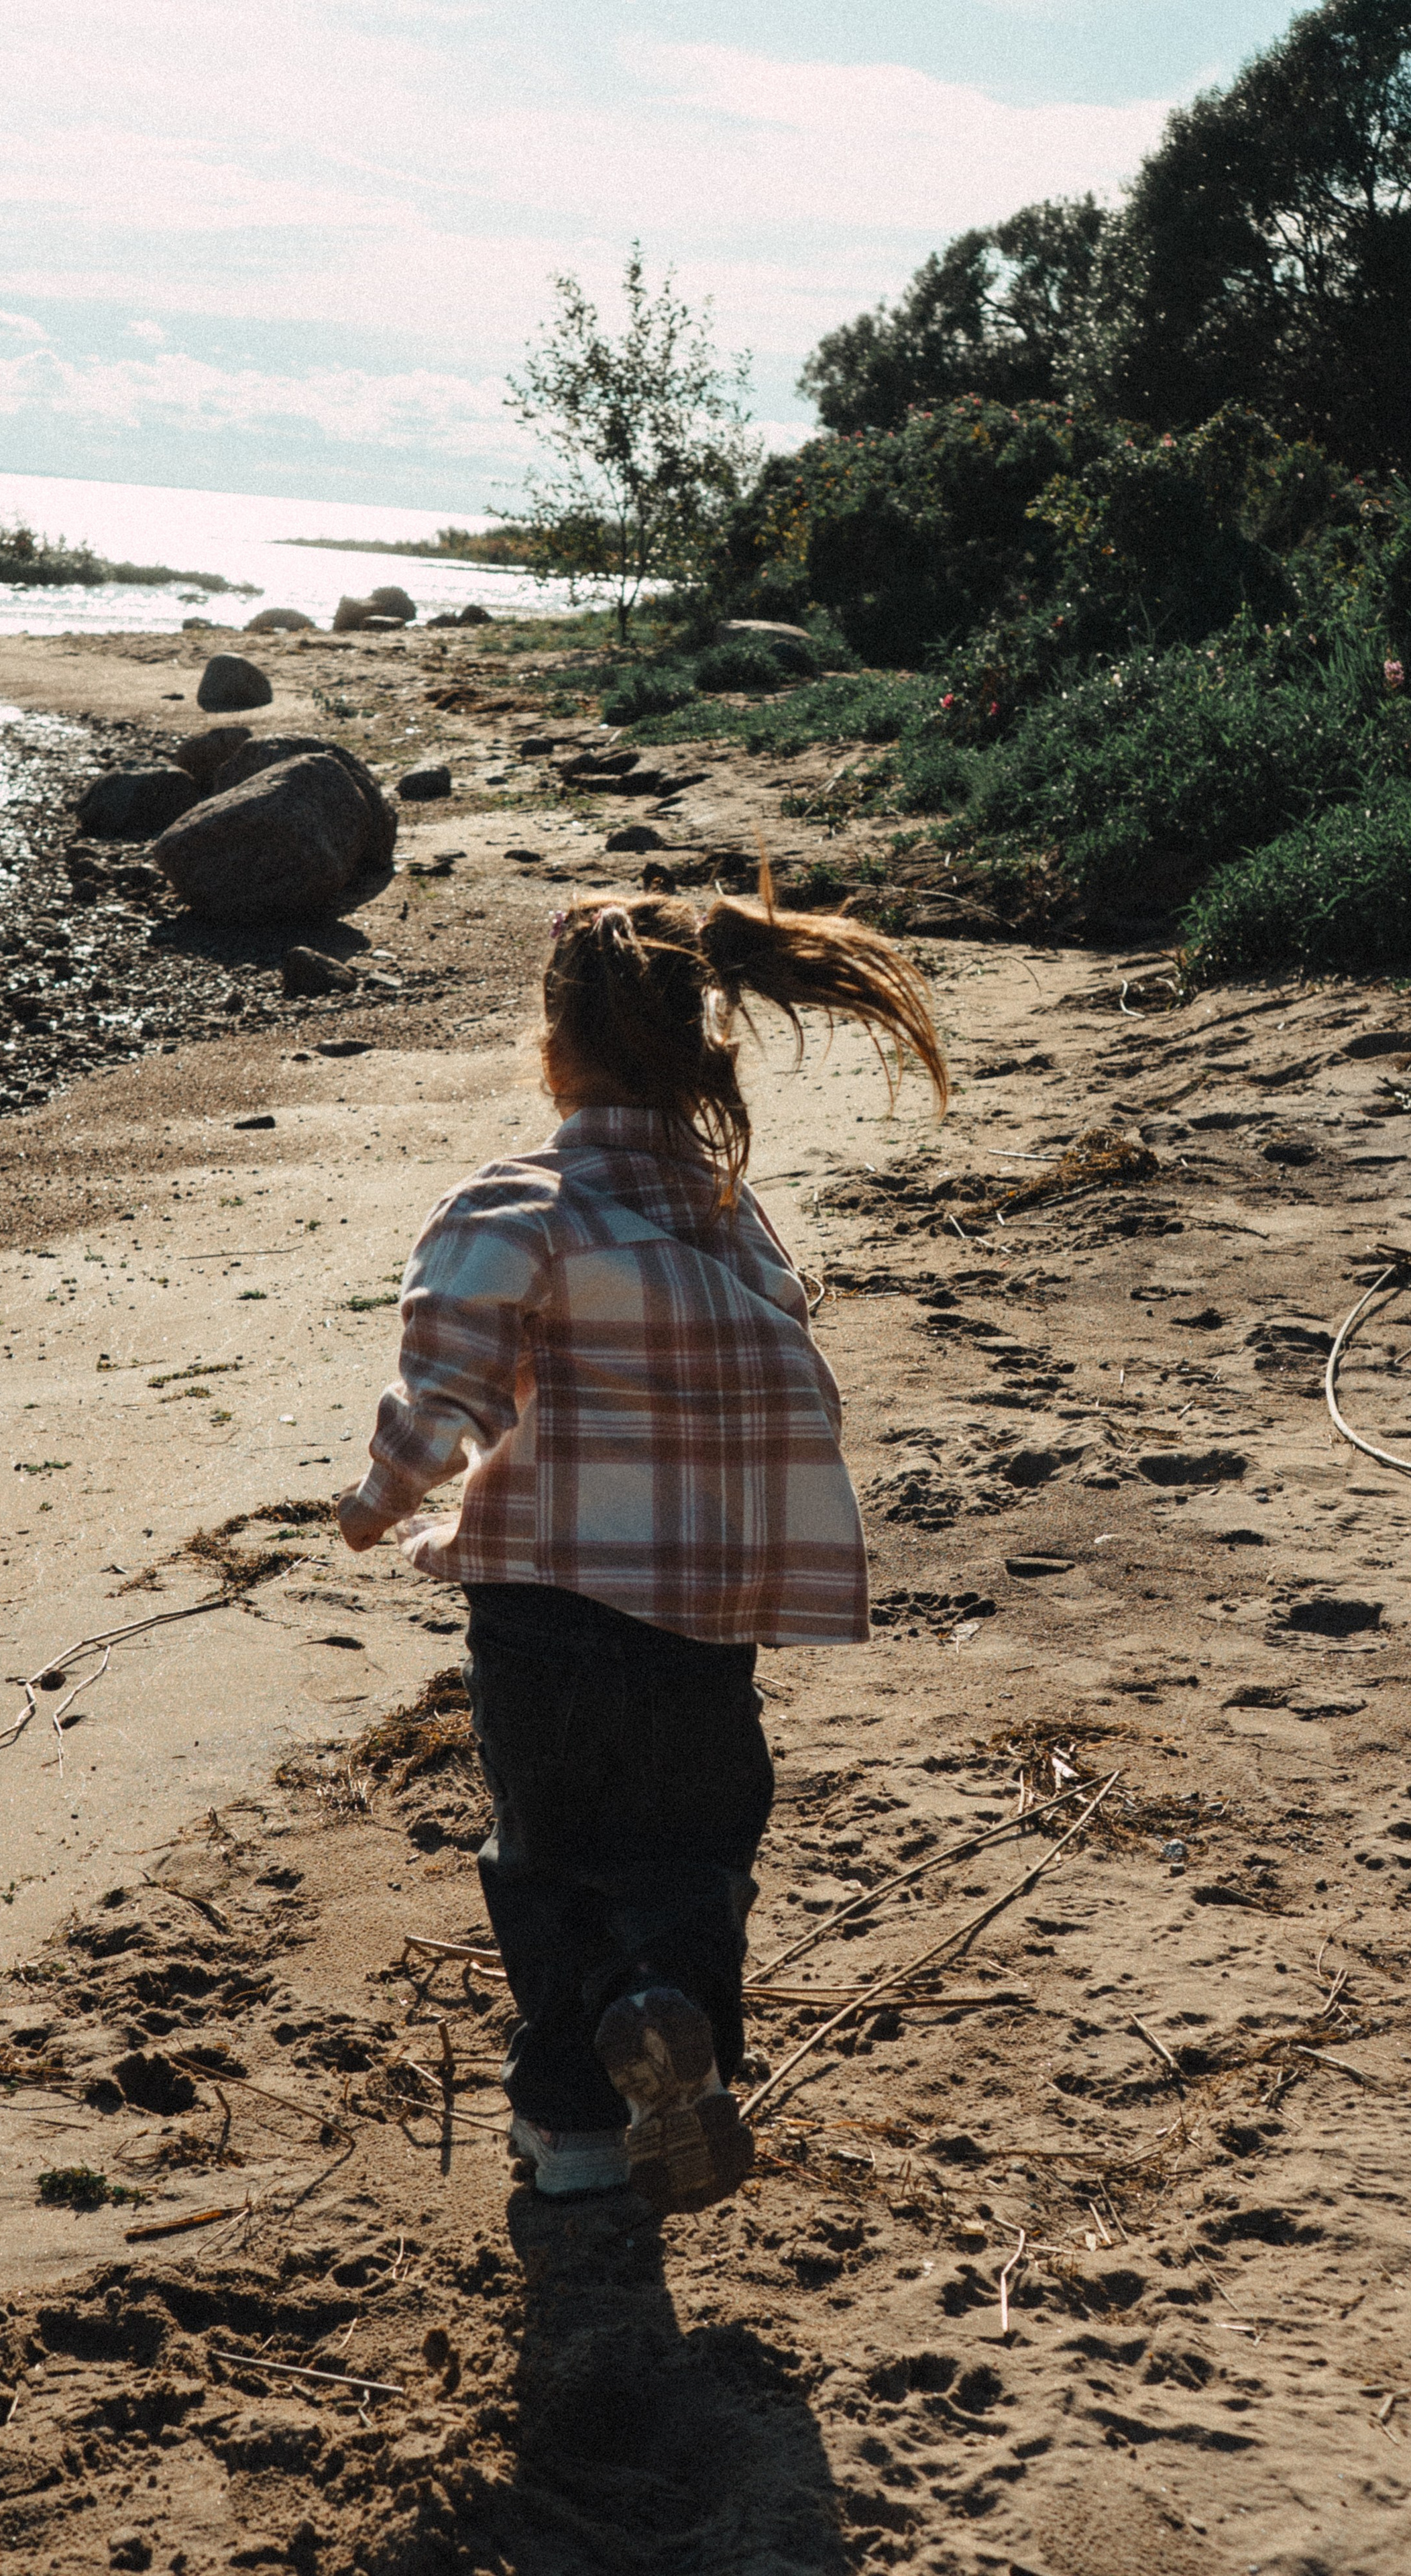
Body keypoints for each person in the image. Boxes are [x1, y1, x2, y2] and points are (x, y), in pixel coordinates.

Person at [338, 879, 946, 2214]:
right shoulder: (734, 1219)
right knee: (689, 1859)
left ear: (550, 1053)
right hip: (705, 1624)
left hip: (545, 1611)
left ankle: (570, 2139)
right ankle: (668, 2009)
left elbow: (445, 1382)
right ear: (694, 1055)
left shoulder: (514, 1203)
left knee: (548, 1860)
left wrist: (379, 1501)